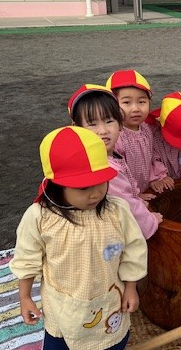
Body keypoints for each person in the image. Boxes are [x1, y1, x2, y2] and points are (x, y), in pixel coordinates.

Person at [10, 126, 147, 350]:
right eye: (84, 187)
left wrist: (131, 286)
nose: (95, 193)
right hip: (65, 307)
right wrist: (25, 296)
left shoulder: (116, 211)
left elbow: (134, 249)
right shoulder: (40, 217)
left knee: (115, 347)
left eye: (101, 182)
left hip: (110, 300)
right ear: (56, 184)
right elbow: (27, 257)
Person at [68, 84, 163, 239]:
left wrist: (137, 196)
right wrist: (150, 222)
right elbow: (127, 205)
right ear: (77, 128)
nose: (103, 131)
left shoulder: (109, 155)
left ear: (120, 123)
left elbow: (127, 189)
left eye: (109, 121)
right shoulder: (105, 168)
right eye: (92, 124)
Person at [105, 69, 160, 200]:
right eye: (126, 102)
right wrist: (135, 195)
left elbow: (150, 156)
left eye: (141, 102)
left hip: (145, 188)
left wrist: (154, 178)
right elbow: (119, 174)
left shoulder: (146, 128)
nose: (135, 109)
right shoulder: (116, 137)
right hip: (126, 195)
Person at [148, 92, 181, 192]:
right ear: (160, 122)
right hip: (162, 172)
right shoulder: (153, 134)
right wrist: (161, 176)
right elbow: (153, 157)